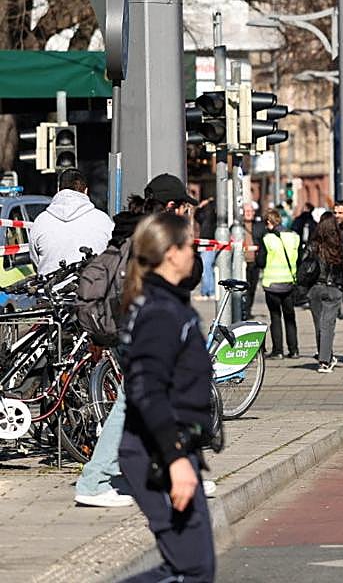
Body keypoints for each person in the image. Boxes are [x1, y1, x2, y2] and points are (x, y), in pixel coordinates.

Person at [75, 175, 205, 509]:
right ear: (172, 206)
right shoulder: (158, 233)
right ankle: (94, 481)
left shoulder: (129, 227)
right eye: (183, 207)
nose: (186, 212)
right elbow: (189, 275)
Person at [118, 212, 216, 583]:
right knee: (190, 571)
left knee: (193, 569)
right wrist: (175, 459)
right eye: (190, 245)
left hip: (170, 447)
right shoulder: (160, 311)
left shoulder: (166, 302)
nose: (195, 252)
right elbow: (146, 389)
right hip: (156, 453)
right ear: (171, 253)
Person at [29, 168, 113, 274]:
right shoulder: (104, 221)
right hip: (94, 283)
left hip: (50, 284)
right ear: (86, 191)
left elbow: (36, 262)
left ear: (58, 190)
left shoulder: (40, 222)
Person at [297, 214, 343, 373]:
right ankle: (324, 361)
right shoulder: (340, 247)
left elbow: (303, 266)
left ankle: (325, 356)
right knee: (327, 325)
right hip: (334, 289)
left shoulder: (313, 246)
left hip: (315, 289)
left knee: (319, 325)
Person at [258, 208, 301, 359]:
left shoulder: (267, 239)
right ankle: (294, 350)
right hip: (289, 282)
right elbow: (299, 259)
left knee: (275, 317)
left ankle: (278, 351)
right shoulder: (294, 237)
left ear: (269, 222)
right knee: (290, 317)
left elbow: (261, 261)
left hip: (272, 284)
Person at [241, 202, 267, 319]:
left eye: (250, 211)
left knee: (252, 289)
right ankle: (241, 311)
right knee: (242, 289)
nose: (249, 213)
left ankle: (247, 311)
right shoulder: (237, 227)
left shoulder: (259, 226)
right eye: (246, 211)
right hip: (241, 264)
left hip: (255, 263)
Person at [193, 190, 216, 298]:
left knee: (206, 266)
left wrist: (202, 205)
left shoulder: (211, 213)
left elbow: (197, 215)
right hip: (206, 242)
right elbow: (197, 216)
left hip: (209, 243)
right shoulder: (208, 215)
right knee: (207, 267)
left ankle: (208, 291)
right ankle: (208, 291)